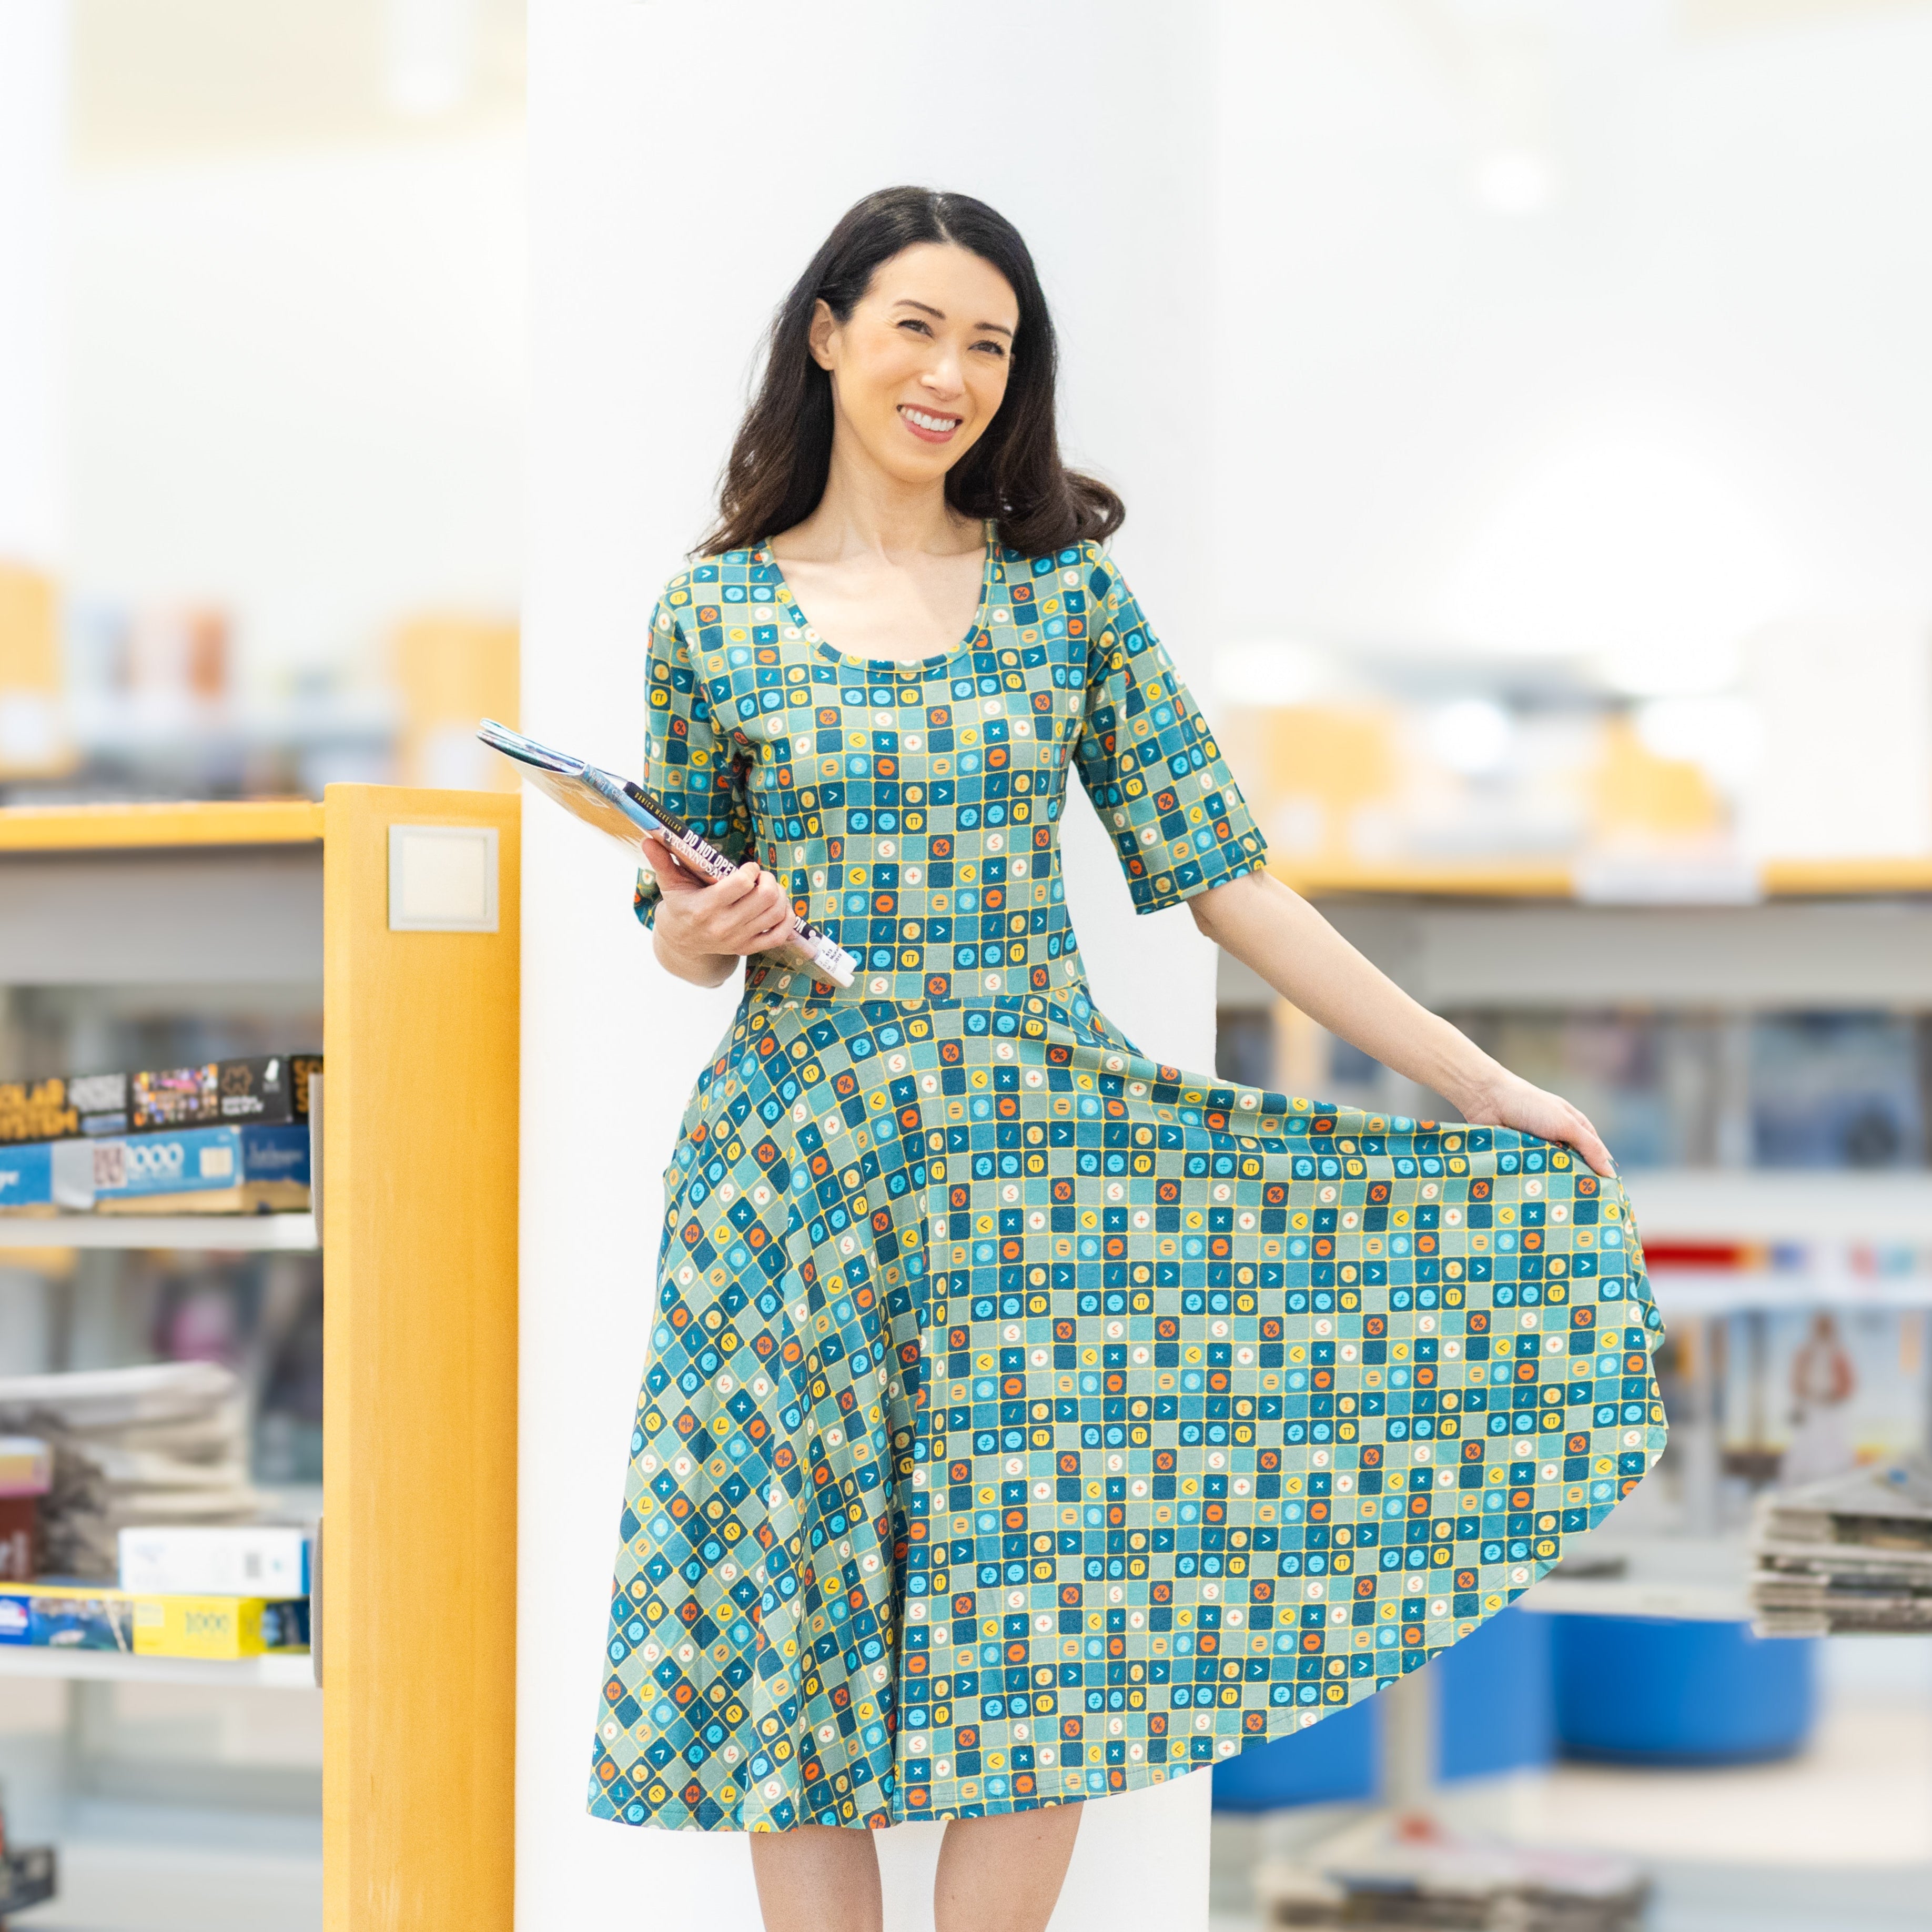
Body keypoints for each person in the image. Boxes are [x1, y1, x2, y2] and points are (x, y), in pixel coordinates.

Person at [587, 187, 1667, 1932]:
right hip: (790, 1171)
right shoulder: (708, 613)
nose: (951, 374)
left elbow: (1226, 880)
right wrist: (688, 933)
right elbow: (675, 904)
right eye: (918, 327)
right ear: (827, 333)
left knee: (1043, 1630)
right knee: (790, 1627)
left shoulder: (1067, 599)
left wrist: (1478, 1084)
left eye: (991, 346)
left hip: (1038, 1169)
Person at [1781, 1310, 1857, 1488]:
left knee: (1832, 1444)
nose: (1823, 1330)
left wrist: (1834, 1396)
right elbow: (1796, 1381)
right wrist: (1806, 1395)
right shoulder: (1805, 1352)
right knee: (1806, 1442)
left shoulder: (1839, 1353)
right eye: (1820, 1326)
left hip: (1831, 1409)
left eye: (1826, 1326)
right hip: (1810, 1407)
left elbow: (1848, 1384)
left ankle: (1833, 1478)